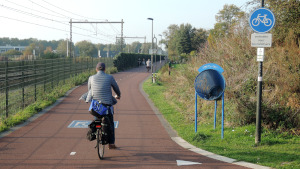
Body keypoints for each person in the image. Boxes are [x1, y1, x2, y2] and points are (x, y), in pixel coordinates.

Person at [85, 62, 121, 149]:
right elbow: (116, 88)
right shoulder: (110, 77)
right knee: (111, 123)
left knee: (97, 118)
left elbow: (89, 90)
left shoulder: (91, 78)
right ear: (105, 69)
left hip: (96, 107)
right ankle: (111, 144)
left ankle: (97, 130)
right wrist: (118, 95)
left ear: (96, 69)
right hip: (107, 105)